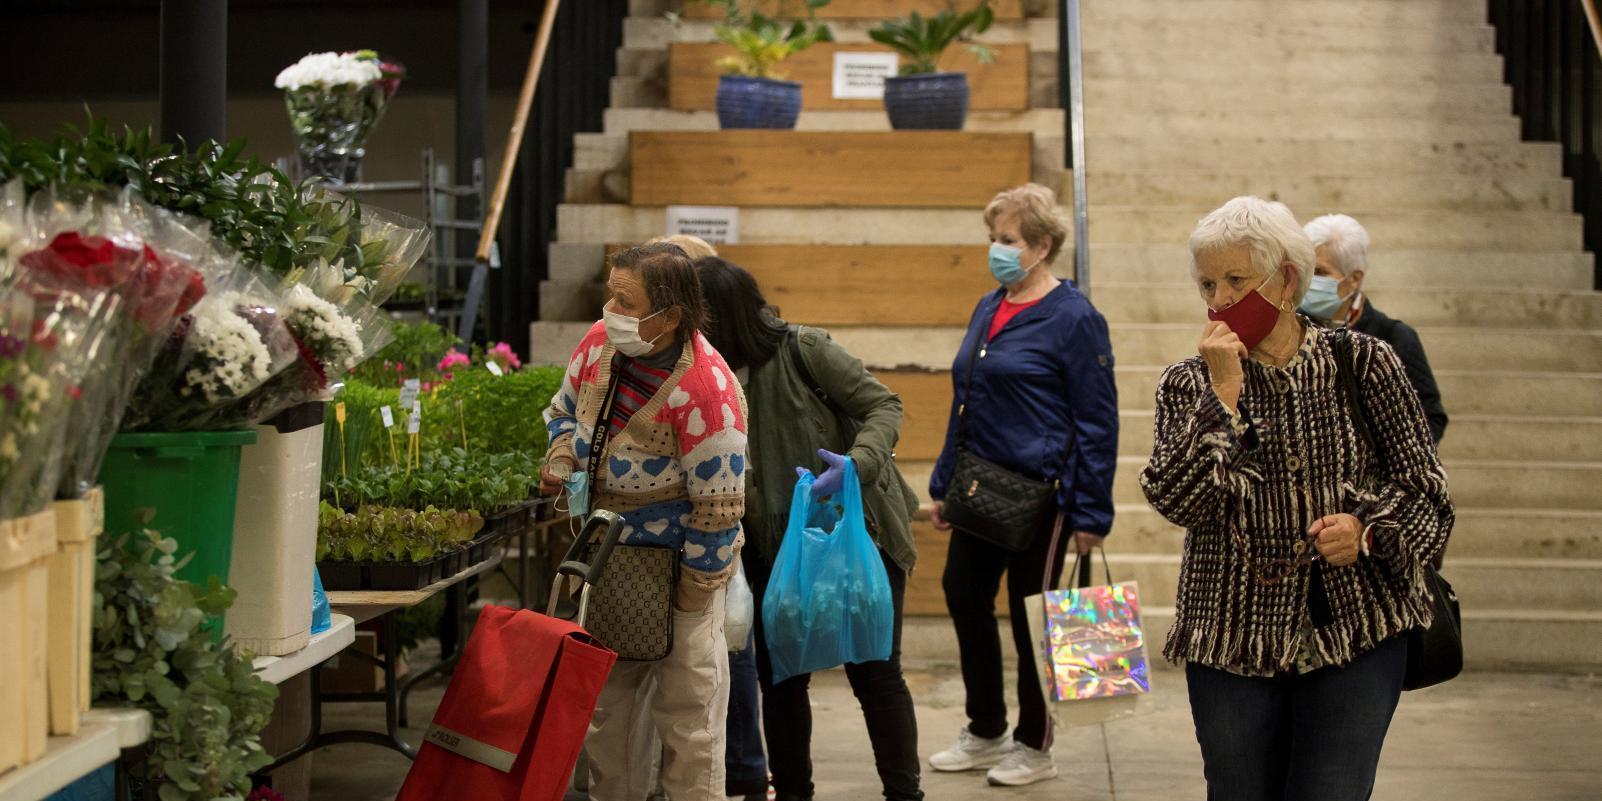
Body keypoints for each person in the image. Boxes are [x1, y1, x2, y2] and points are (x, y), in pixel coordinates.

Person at [1140, 197, 1455, 801]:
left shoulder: (1367, 362)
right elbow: (1179, 500)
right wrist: (1222, 399)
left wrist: (1367, 531)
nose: (1220, 299)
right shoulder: (1188, 382)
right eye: (1208, 283)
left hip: (1356, 629)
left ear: (1286, 278)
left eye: (1236, 280)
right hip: (1229, 636)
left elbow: (1429, 497)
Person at [696, 255, 925, 801]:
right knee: (781, 678)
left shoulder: (805, 348)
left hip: (855, 534)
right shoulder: (704, 375)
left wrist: (856, 463)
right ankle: (794, 793)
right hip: (771, 551)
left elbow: (884, 406)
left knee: (874, 671)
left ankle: (905, 795)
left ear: (719, 319)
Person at [926, 183, 1120, 787]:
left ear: (1041, 246)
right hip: (982, 486)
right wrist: (945, 483)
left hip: (1045, 495)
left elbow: (1097, 419)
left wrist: (1091, 512)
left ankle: (1036, 745)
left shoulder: (1075, 318)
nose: (996, 249)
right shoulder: (990, 306)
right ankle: (986, 731)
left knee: (1032, 615)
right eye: (993, 238)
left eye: (1007, 240)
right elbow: (967, 399)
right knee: (963, 593)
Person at [540, 242, 748, 801]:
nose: (609, 309)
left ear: (670, 315)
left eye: (624, 300)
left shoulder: (710, 391)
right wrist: (563, 457)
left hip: (681, 570)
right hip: (607, 564)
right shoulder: (596, 347)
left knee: (691, 721)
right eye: (611, 293)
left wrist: (693, 592)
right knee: (608, 716)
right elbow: (561, 410)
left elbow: (720, 510)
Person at [635, 233, 769, 801]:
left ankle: (743, 768)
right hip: (687, 538)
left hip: (716, 535)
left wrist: (1082, 509)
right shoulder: (643, 356)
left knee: (722, 654)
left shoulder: (716, 373)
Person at [1300, 213, 1448, 444]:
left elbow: (1430, 417)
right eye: (1304, 271)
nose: (1308, 282)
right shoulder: (1291, 330)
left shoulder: (1393, 337)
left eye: (1319, 272)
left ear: (1354, 279)